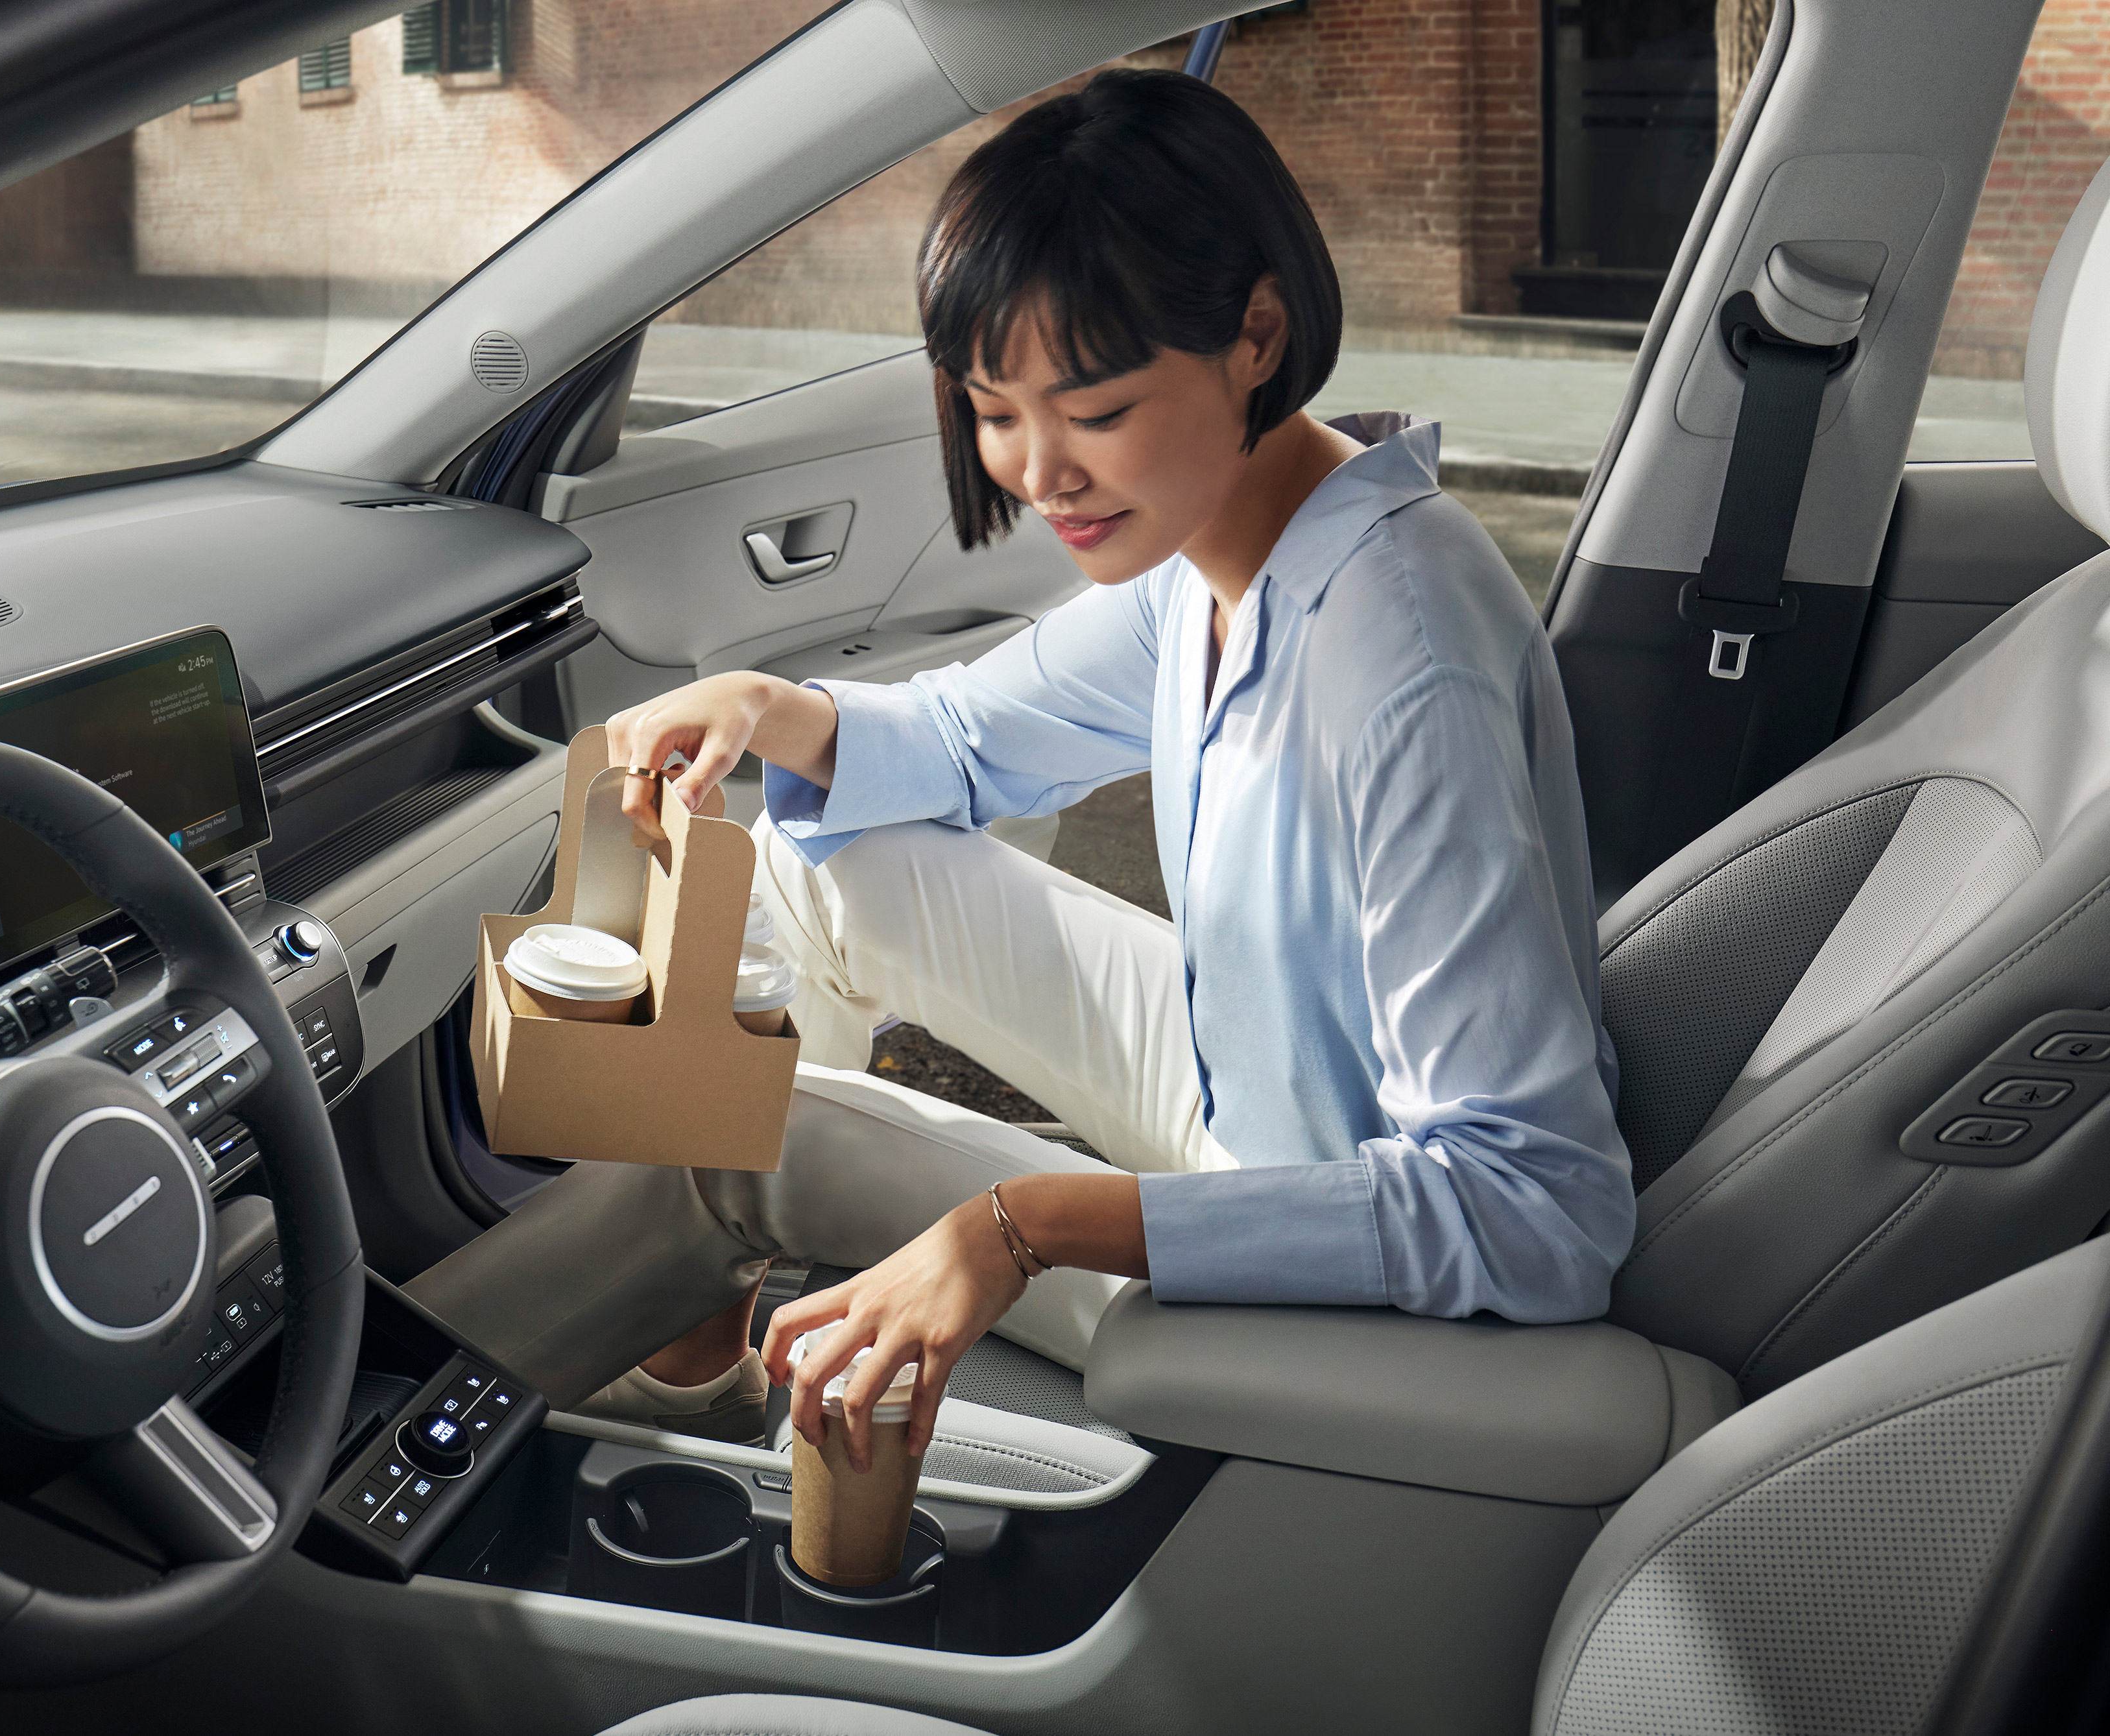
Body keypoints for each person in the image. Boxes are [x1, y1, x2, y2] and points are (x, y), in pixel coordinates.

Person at [408, 69, 1633, 1476]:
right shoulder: (1237, 556)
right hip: (1253, 1089)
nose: (1040, 473)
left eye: (1094, 410)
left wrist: (1019, 1226)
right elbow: (966, 739)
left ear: (1255, 334)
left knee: (731, 1140)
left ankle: (356, 1454)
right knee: (826, 862)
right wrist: (763, 704)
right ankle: (694, 1359)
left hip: (1328, 1243)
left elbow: (1534, 1213)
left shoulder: (1396, 660)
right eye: (995, 409)